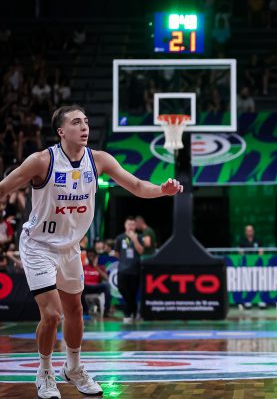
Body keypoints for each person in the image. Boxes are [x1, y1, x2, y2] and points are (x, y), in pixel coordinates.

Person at [2, 105, 182, 399]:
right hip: (39, 246)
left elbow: (137, 185)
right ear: (61, 131)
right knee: (52, 314)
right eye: (76, 122)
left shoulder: (98, 160)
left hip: (71, 247)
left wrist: (162, 190)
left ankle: (73, 368)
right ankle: (44, 372)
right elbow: (3, 188)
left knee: (76, 311)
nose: (84, 126)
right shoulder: (41, 161)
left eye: (86, 121)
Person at [114, 217, 143, 323]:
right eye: (129, 224)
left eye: (132, 224)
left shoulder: (139, 237)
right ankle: (133, 308)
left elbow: (141, 251)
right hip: (122, 269)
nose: (130, 226)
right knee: (122, 288)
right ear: (125, 225)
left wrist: (134, 239)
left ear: (135, 226)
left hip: (135, 269)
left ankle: (129, 313)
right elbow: (116, 253)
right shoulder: (120, 238)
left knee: (133, 292)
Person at [81, 247, 112, 317]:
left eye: (92, 256)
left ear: (95, 257)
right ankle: (85, 310)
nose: (91, 257)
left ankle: (106, 312)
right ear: (87, 257)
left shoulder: (101, 267)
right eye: (89, 256)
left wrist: (96, 267)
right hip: (86, 287)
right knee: (79, 287)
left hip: (97, 287)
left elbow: (106, 278)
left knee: (107, 286)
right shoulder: (84, 267)